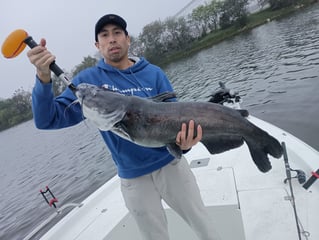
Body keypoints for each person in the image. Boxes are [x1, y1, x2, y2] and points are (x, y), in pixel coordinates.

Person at [27, 14, 221, 240]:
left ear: (128, 39)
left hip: (171, 166)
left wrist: (185, 145)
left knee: (204, 226)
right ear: (97, 45)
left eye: (117, 33)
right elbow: (46, 119)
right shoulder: (88, 85)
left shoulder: (154, 73)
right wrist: (43, 78)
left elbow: (176, 118)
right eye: (105, 35)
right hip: (133, 177)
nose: (112, 39)